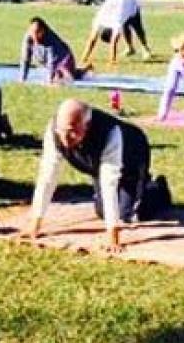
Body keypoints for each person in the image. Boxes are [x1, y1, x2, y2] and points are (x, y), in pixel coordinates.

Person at [24, 99, 172, 252]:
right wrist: (35, 224)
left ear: (86, 126)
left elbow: (109, 184)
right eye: (62, 130)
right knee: (102, 211)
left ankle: (158, 189)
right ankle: (138, 190)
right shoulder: (54, 130)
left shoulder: (110, 134)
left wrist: (112, 238)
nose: (66, 138)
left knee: (128, 215)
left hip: (132, 156)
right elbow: (47, 177)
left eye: (73, 131)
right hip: (96, 163)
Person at [79, 0, 152, 65]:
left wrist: (112, 61)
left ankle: (145, 48)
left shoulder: (116, 21)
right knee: (125, 24)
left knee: (137, 27)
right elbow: (92, 40)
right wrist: (83, 59)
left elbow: (114, 42)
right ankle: (130, 49)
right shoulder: (98, 20)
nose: (119, 37)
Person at [19, 17, 89, 84]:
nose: (35, 37)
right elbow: (25, 59)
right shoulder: (28, 38)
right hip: (47, 60)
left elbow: (52, 63)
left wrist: (50, 80)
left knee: (67, 77)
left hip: (64, 58)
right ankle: (83, 69)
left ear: (43, 30)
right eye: (33, 33)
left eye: (38, 33)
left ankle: (84, 70)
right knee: (61, 75)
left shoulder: (51, 40)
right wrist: (22, 79)